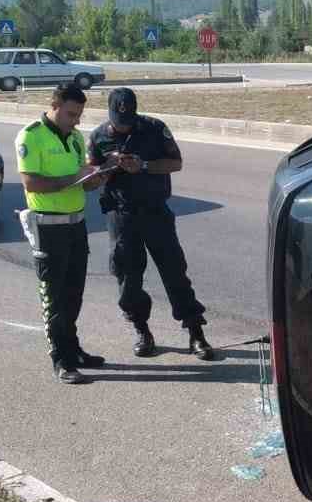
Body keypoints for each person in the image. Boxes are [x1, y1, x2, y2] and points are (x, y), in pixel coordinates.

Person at [88, 88, 216, 360]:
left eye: (128, 120)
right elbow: (90, 179)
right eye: (118, 122)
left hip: (155, 211)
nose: (124, 126)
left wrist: (144, 166)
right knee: (127, 278)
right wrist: (107, 168)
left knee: (174, 272)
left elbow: (176, 162)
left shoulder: (154, 128)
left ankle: (196, 332)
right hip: (121, 215)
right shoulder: (98, 137)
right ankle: (142, 330)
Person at [15, 81, 108, 385]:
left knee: (74, 294)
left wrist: (101, 174)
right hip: (48, 226)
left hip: (76, 224)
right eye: (71, 114)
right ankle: (61, 359)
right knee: (54, 298)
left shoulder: (77, 138)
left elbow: (85, 182)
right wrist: (74, 177)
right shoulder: (31, 136)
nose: (76, 120)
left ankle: (73, 348)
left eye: (79, 114)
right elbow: (32, 183)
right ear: (54, 106)